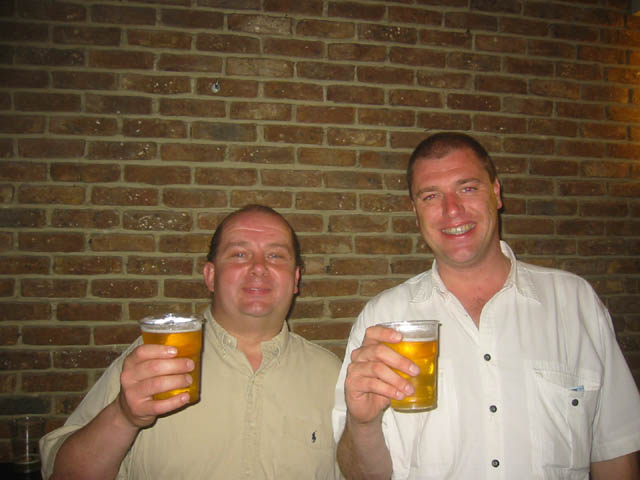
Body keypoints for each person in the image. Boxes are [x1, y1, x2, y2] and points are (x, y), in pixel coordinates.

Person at [332, 132, 640, 479]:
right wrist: (363, 424)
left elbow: (615, 451)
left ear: (496, 192)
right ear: (415, 212)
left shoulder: (575, 302)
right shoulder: (381, 319)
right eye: (431, 196)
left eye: (467, 188)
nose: (452, 210)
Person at [40, 204, 342, 479]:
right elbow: (64, 474)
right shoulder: (155, 358)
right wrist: (123, 415)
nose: (259, 266)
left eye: (276, 255)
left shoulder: (331, 374)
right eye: (239, 254)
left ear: (295, 279)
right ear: (210, 276)